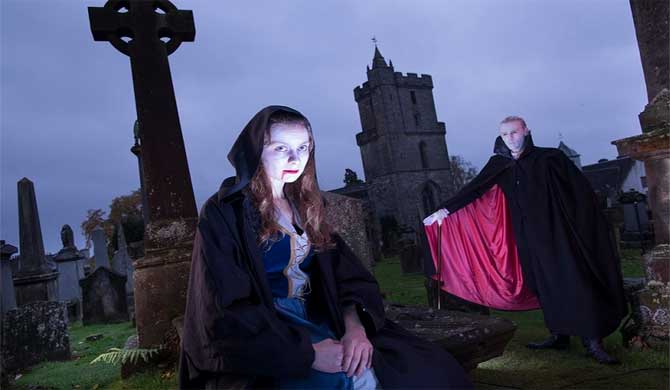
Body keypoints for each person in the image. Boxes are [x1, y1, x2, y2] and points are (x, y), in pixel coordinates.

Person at [179, 105, 472, 389]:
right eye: (281, 148)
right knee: (341, 380)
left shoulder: (306, 205)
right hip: (266, 332)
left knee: (430, 370)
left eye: (303, 147)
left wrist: (355, 327)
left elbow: (346, 276)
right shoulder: (225, 211)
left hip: (322, 315)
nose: (295, 158)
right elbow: (224, 305)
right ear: (257, 150)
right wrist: (308, 354)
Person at [423, 116, 627, 365]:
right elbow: (475, 189)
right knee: (542, 285)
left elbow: (580, 194)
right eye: (505, 134)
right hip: (527, 238)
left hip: (560, 234)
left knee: (575, 282)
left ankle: (592, 341)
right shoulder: (500, 164)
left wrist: (582, 227)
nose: (510, 138)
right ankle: (559, 335)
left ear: (526, 131)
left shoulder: (550, 159)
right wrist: (443, 211)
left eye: (514, 132)